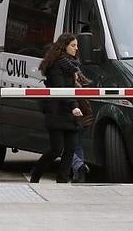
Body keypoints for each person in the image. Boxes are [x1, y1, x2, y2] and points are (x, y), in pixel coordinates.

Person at [30, 33, 83, 183]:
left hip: (69, 109)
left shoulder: (72, 64)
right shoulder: (56, 65)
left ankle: (62, 179)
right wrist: (73, 106)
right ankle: (36, 173)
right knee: (56, 149)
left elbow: (72, 88)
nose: (76, 48)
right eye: (73, 45)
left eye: (77, 45)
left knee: (70, 148)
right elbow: (61, 89)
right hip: (57, 111)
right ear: (64, 46)